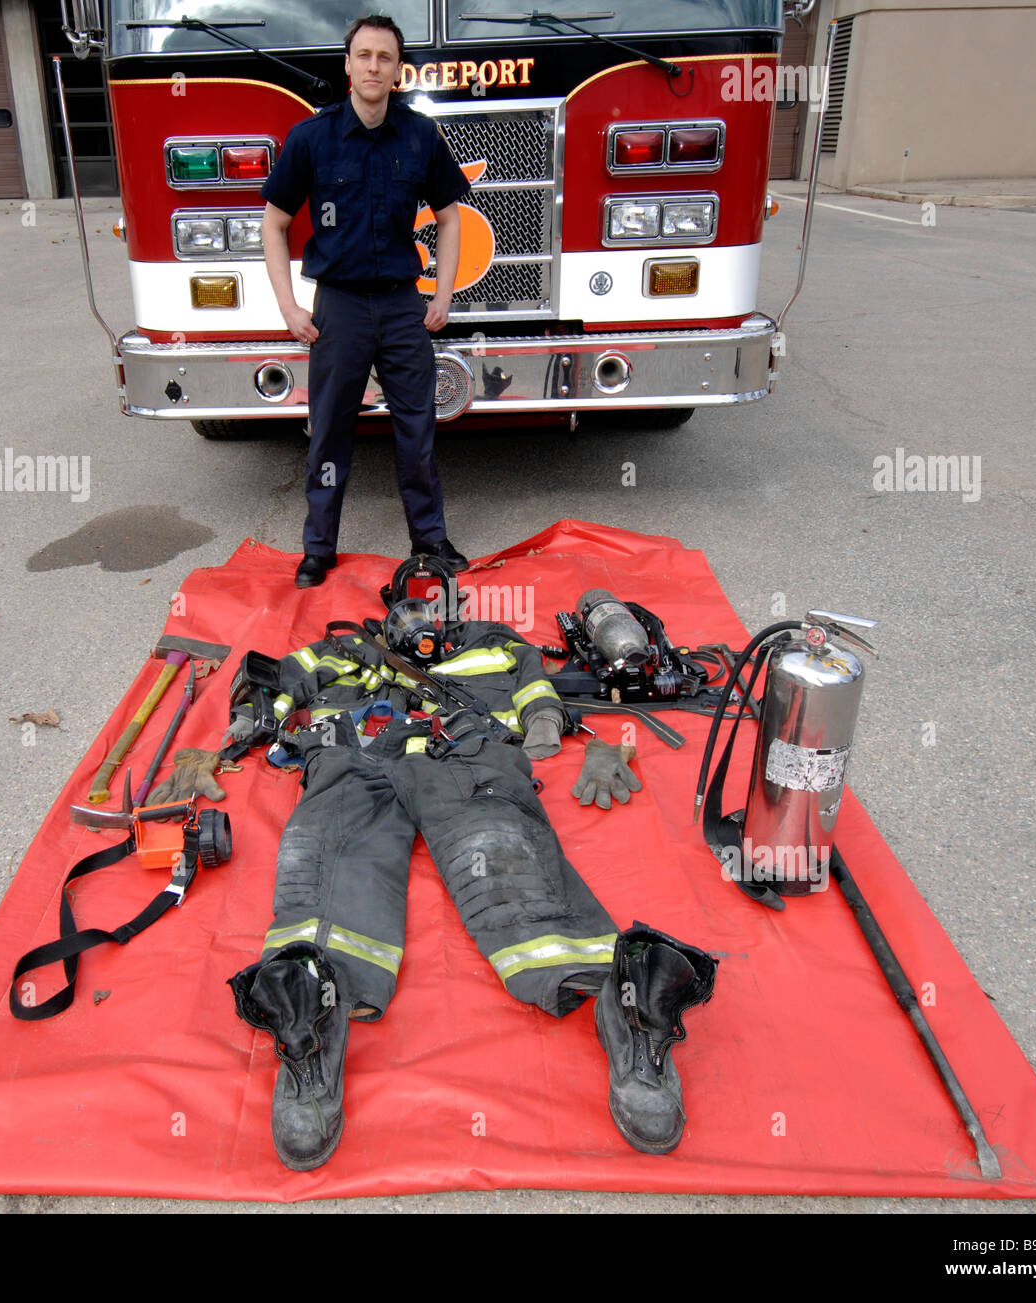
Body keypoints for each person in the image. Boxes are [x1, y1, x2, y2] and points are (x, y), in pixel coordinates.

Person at [225, 612, 719, 1171]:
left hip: (466, 757)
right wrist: (256, 715)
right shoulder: (352, 647)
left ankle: (630, 1007)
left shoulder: (493, 642)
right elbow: (283, 672)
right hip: (350, 758)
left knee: (511, 873)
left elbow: (532, 677)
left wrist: (543, 716)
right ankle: (306, 1020)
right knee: (326, 873)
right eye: (407, 604)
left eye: (431, 600)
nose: (418, 616)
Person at [261, 14, 472, 588]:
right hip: (340, 308)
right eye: (364, 56)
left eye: (385, 57)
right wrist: (289, 308)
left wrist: (443, 295)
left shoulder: (419, 136)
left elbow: (450, 218)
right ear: (347, 65)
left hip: (403, 305)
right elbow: (273, 224)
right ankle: (318, 549)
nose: (374, 66)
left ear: (397, 71)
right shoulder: (312, 138)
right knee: (328, 430)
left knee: (417, 426)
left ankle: (430, 542)